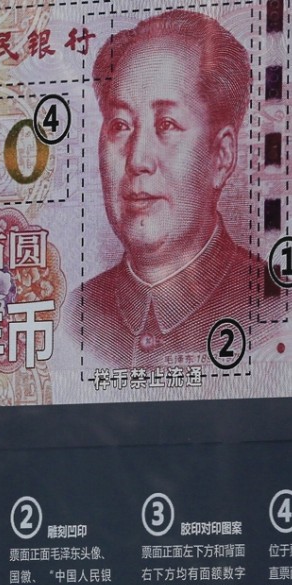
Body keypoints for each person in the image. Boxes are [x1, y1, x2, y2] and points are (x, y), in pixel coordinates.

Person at [66, 9, 283, 366]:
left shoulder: (275, 313)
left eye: (166, 124)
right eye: (120, 125)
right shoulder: (75, 316)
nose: (137, 159)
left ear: (221, 156)